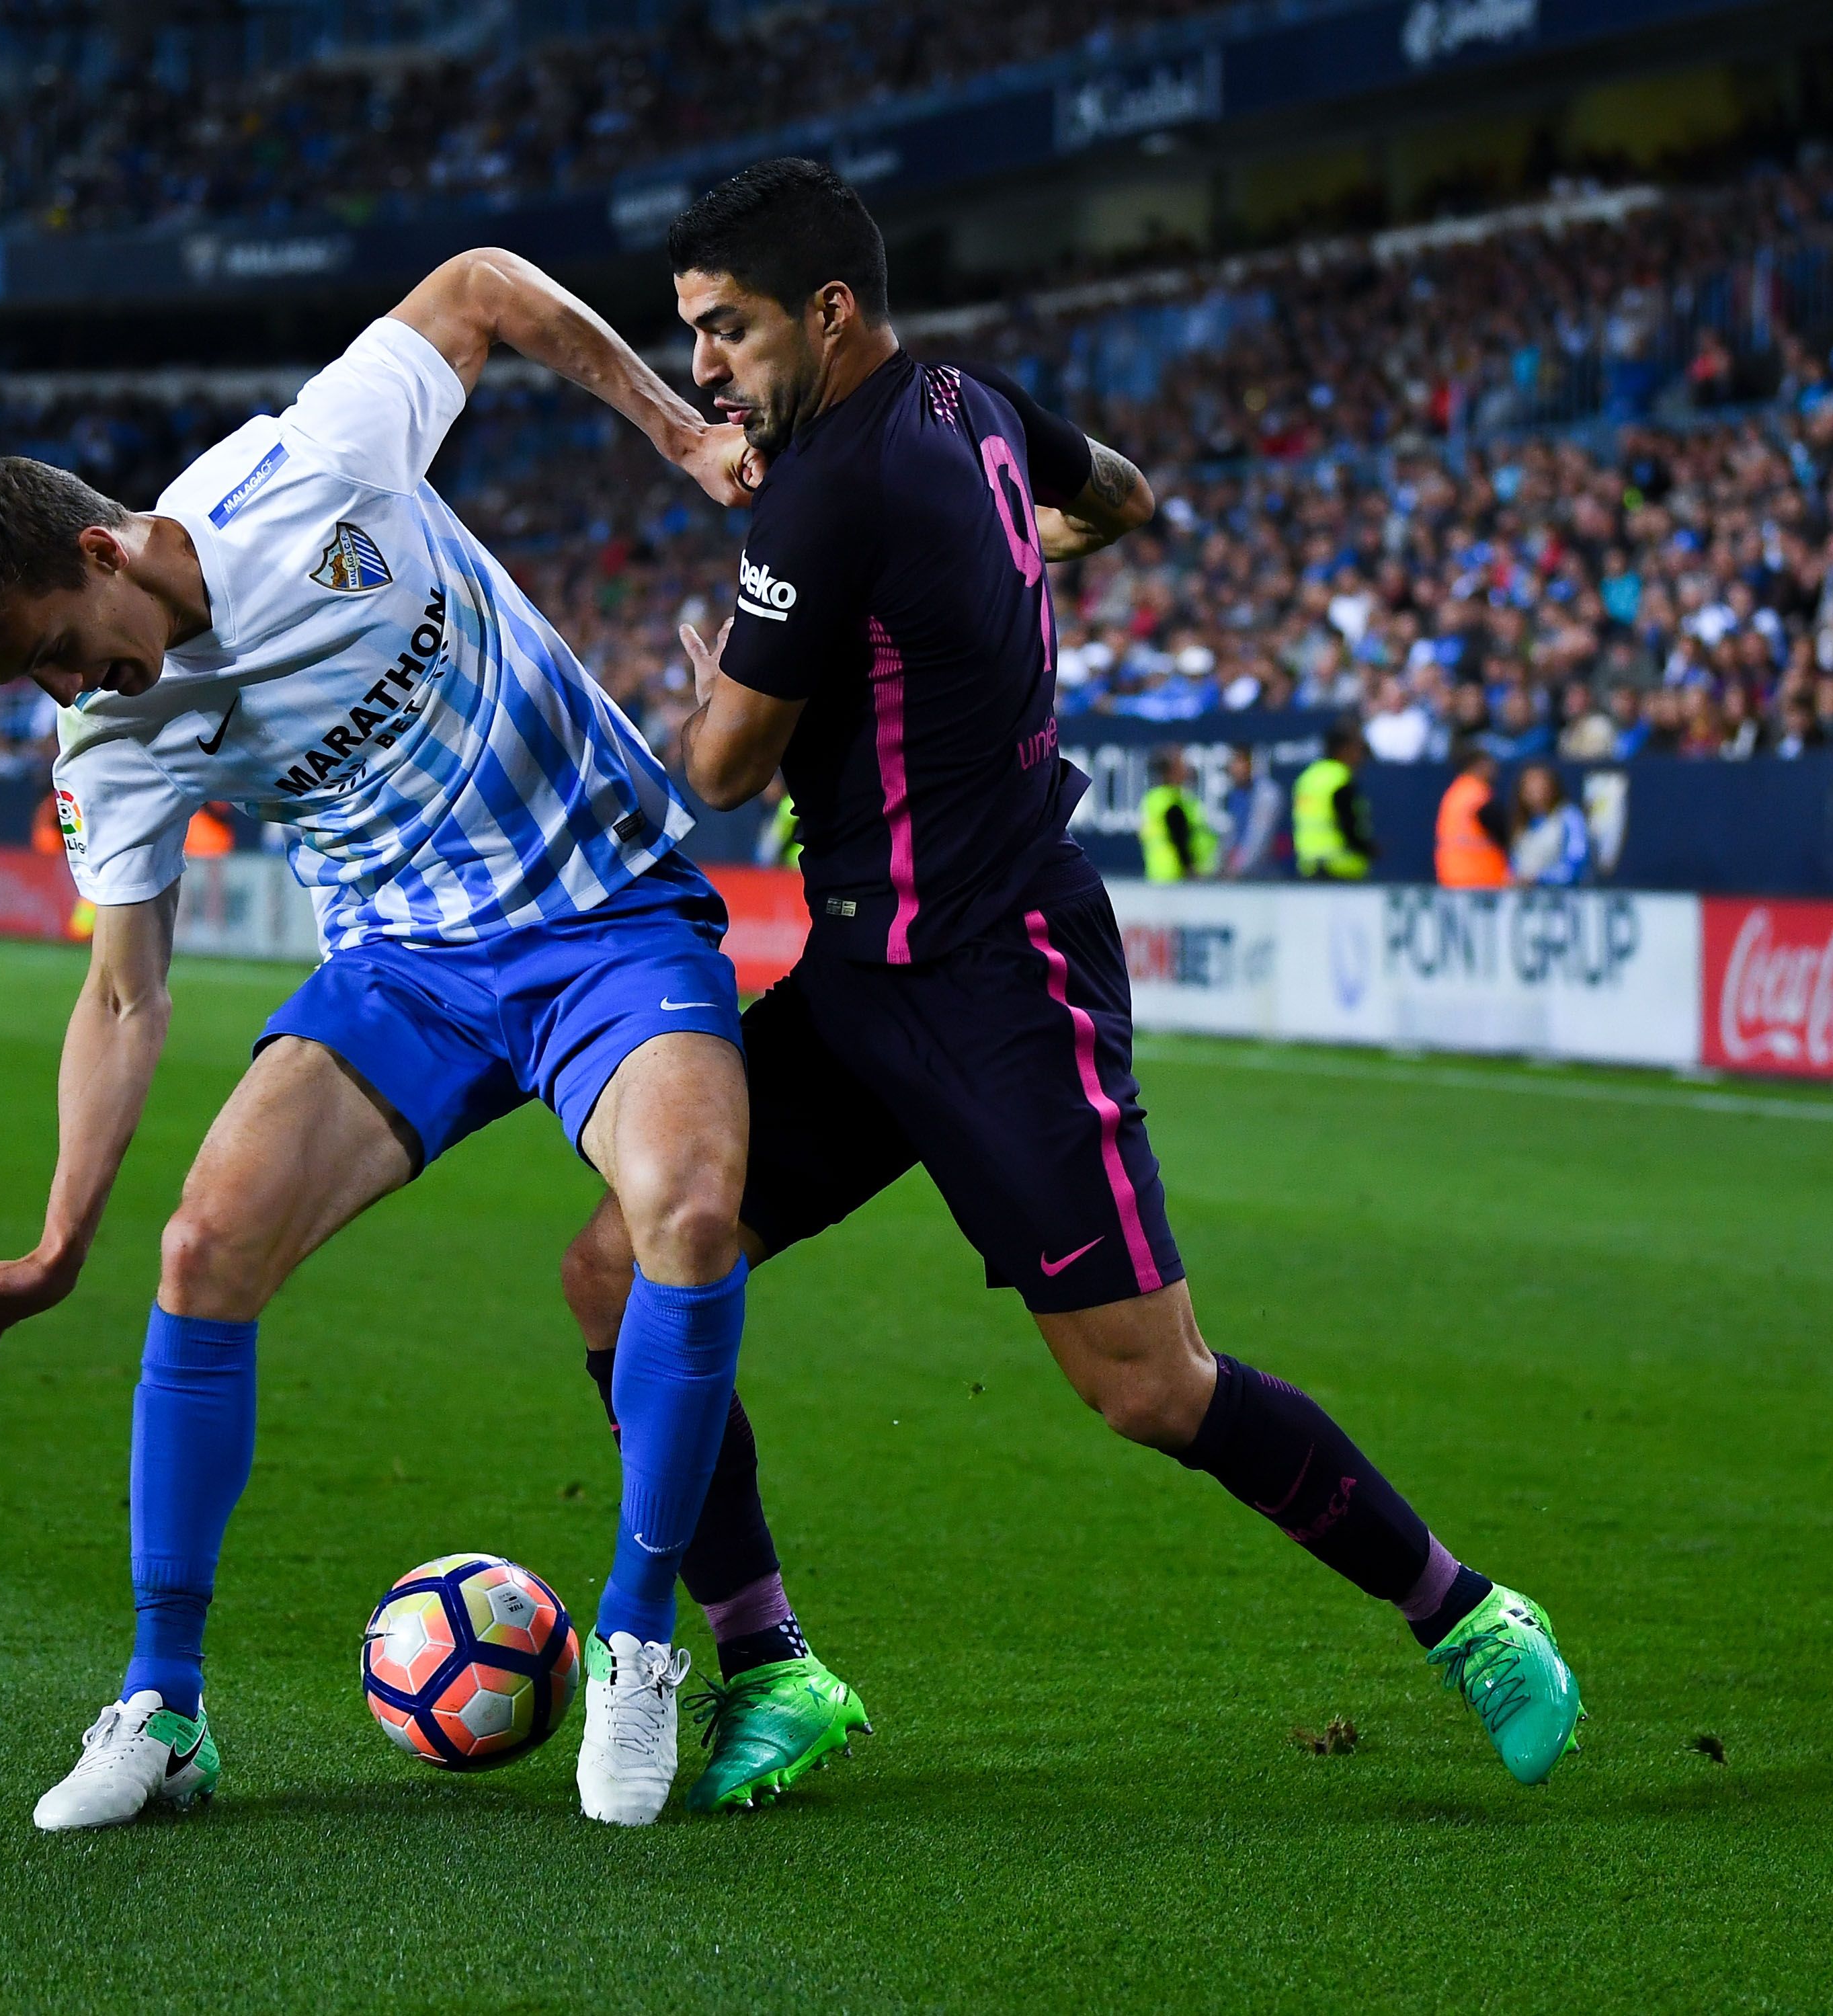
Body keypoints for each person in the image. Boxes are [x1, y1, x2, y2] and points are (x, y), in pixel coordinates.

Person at [566, 157, 1581, 1804]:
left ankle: (1461, 1611)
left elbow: (727, 767)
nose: (704, 372)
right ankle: (770, 1660)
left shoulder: (822, 491)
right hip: (858, 977)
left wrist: (719, 687)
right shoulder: (964, 403)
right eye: (690, 336)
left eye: (727, 331)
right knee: (622, 1274)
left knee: (1143, 1383)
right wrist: (979, 572)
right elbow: (1113, 493)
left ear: (826, 312)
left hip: (995, 979)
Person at [0, 244, 770, 1833]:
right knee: (202, 1241)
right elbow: (120, 990)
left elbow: (484, 285)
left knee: (687, 1214)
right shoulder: (112, 728)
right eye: (38, 680)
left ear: (102, 549)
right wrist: (56, 1238)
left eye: (61, 649)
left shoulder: (308, 466)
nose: (69, 690)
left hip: (604, 915)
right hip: (406, 975)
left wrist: (679, 434)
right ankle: (162, 1707)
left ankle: (638, 1637)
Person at [1293, 721, 1376, 879]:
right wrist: (1369, 850)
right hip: (1340, 867)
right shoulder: (1340, 779)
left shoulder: (1308, 778)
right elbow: (1348, 825)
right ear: (1343, 750)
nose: (1360, 756)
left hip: (1310, 867)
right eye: (1356, 749)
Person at [1434, 739, 1510, 888]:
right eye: (1490, 764)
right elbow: (1503, 832)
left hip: (1452, 877)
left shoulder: (1456, 793)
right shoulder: (1477, 796)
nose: (1495, 769)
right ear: (1478, 765)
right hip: (1482, 878)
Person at [1137, 747, 1217, 881]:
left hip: (1160, 876)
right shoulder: (1171, 804)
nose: (1187, 770)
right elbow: (1179, 838)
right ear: (1170, 772)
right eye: (1181, 766)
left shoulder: (1156, 799)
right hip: (1179, 877)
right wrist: (1191, 870)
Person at [1507, 761, 1591, 887]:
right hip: (1525, 900)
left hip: (1561, 899)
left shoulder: (1569, 816)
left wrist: (1539, 878)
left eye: (1540, 786)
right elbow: (1514, 865)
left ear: (1552, 788)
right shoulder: (1521, 823)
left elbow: (1576, 862)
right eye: (1529, 787)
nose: (1534, 792)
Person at [1217, 743, 1285, 879]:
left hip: (1263, 873)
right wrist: (1222, 866)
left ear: (1251, 763)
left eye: (1238, 761)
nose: (1234, 768)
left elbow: (1259, 836)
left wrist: (1237, 869)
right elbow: (1231, 835)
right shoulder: (1235, 794)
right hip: (1239, 874)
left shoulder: (1267, 793)